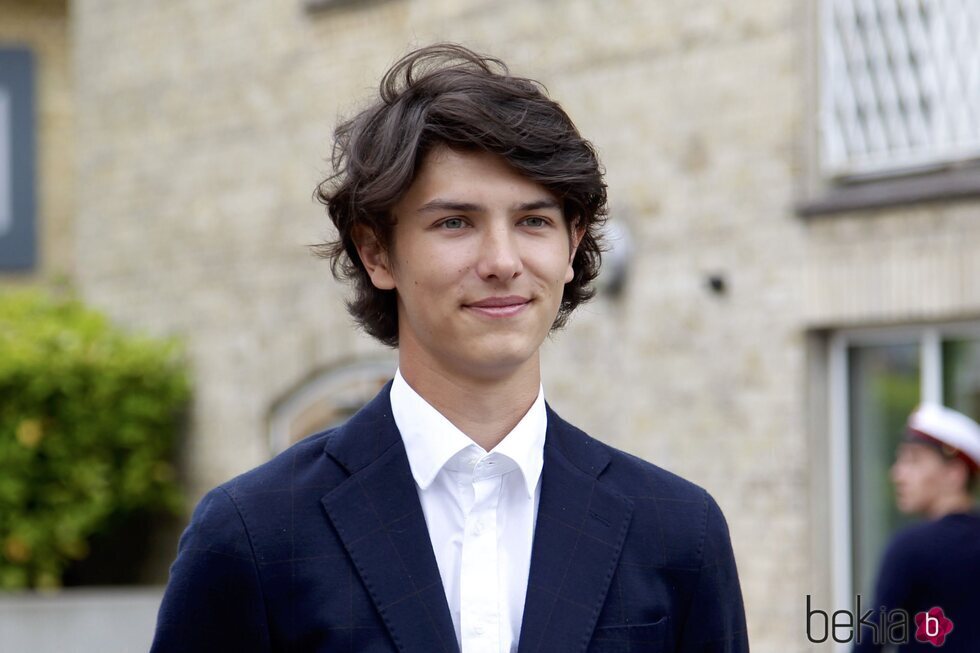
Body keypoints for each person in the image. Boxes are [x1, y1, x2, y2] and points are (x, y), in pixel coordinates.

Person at [151, 43, 748, 653]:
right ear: (377, 252)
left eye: (533, 221)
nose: (502, 262)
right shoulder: (253, 534)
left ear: (572, 246)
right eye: (454, 223)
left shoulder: (677, 532)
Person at [854, 403, 980, 653]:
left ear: (954, 473)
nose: (897, 474)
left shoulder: (911, 548)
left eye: (913, 460)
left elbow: (869, 643)